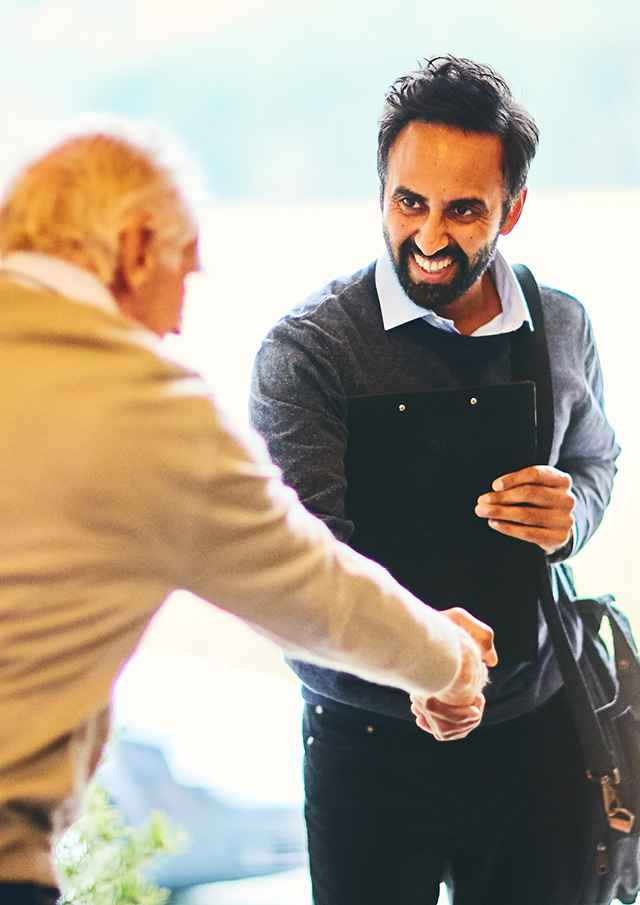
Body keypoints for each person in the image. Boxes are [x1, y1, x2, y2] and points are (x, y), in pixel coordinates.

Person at [0, 123, 497, 905]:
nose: (175, 323)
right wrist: (451, 660)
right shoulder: (140, 403)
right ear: (135, 249)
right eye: (184, 276)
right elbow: (315, 590)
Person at [250, 56, 621, 905]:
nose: (427, 235)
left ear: (513, 209)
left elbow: (597, 459)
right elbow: (299, 573)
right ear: (380, 189)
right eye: (408, 202)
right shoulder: (309, 352)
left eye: (463, 211)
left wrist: (573, 514)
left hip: (539, 736)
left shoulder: (560, 323)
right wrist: (425, 664)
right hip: (367, 740)